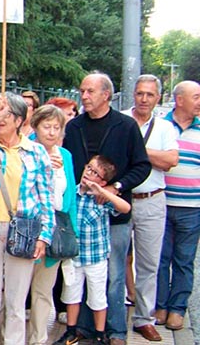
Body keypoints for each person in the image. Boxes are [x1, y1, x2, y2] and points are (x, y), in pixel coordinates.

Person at [62, 72, 150, 345]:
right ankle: (82, 329)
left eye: (90, 91)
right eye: (82, 91)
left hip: (114, 214)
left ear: (106, 95)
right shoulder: (74, 127)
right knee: (79, 276)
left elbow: (142, 165)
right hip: (81, 215)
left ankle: (114, 332)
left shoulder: (125, 126)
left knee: (112, 277)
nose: (84, 96)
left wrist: (116, 188)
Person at [0, 93, 54, 345]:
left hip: (24, 230)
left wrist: (44, 235)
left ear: (18, 120)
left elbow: (46, 198)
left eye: (4, 112)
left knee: (16, 302)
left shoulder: (36, 152)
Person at [121, 74, 178, 341]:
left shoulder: (165, 127)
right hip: (121, 198)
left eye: (150, 95)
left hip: (152, 200)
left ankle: (144, 318)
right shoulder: (120, 119)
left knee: (149, 263)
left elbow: (170, 160)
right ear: (133, 93)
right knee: (114, 258)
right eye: (140, 93)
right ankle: (113, 318)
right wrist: (149, 156)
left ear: (158, 98)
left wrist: (138, 151)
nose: (144, 99)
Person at [54, 156, 131, 345]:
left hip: (96, 257)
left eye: (95, 173)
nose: (88, 173)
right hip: (74, 255)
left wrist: (103, 191)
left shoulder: (102, 198)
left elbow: (125, 208)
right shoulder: (73, 192)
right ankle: (71, 331)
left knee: (97, 297)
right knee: (71, 295)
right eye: (88, 168)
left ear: (103, 181)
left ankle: (99, 333)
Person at [27, 105, 78, 345]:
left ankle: (39, 339)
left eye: (57, 128)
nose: (51, 132)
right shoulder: (25, 149)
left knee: (43, 291)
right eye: (46, 126)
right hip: (26, 230)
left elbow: (69, 199)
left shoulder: (66, 156)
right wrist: (45, 166)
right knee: (15, 293)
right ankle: (10, 337)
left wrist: (73, 232)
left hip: (54, 230)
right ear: (35, 127)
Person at [156, 80, 200, 332]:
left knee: (184, 260)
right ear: (179, 99)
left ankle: (177, 309)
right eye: (195, 96)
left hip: (192, 207)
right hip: (162, 202)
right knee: (160, 258)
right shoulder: (162, 126)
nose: (199, 101)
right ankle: (160, 306)